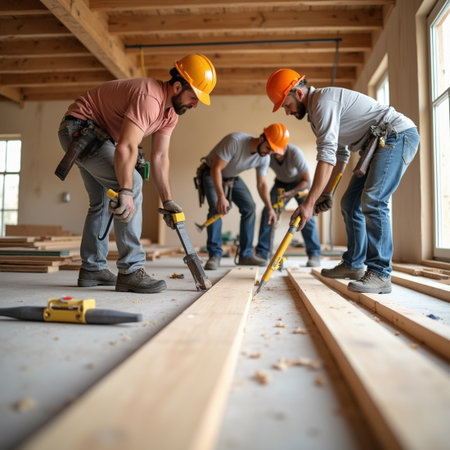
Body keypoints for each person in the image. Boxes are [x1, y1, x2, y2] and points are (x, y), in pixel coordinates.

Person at [57, 54, 217, 293]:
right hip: (80, 130)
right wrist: (127, 190)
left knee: (101, 201)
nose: (195, 104)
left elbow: (160, 157)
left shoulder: (170, 113)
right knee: (133, 185)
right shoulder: (150, 97)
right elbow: (127, 146)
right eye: (193, 97)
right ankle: (131, 270)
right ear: (176, 86)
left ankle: (93, 268)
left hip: (98, 135)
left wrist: (168, 201)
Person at [266, 68, 419, 294]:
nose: (287, 112)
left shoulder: (322, 103)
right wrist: (327, 193)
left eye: (286, 105)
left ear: (298, 93)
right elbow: (340, 154)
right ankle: (354, 264)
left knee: (374, 200)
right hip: (375, 145)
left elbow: (326, 156)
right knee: (349, 203)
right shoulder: (316, 118)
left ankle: (380, 273)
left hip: (396, 136)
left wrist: (309, 203)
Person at [197, 124, 289, 270]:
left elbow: (262, 185)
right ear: (260, 139)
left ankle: (245, 255)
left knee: (250, 207)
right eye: (268, 148)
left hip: (232, 177)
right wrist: (221, 196)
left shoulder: (264, 157)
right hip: (212, 173)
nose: (269, 153)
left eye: (273, 150)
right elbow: (216, 168)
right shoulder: (235, 141)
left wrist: (270, 209)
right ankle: (214, 255)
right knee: (217, 209)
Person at [255, 142, 321, 267]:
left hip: (300, 183)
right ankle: (262, 253)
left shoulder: (295, 153)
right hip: (280, 183)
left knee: (306, 217)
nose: (277, 155)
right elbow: (261, 177)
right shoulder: (268, 154)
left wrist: (291, 193)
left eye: (280, 152)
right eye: (274, 152)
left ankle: (314, 254)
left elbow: (306, 180)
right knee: (267, 213)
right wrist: (271, 207)